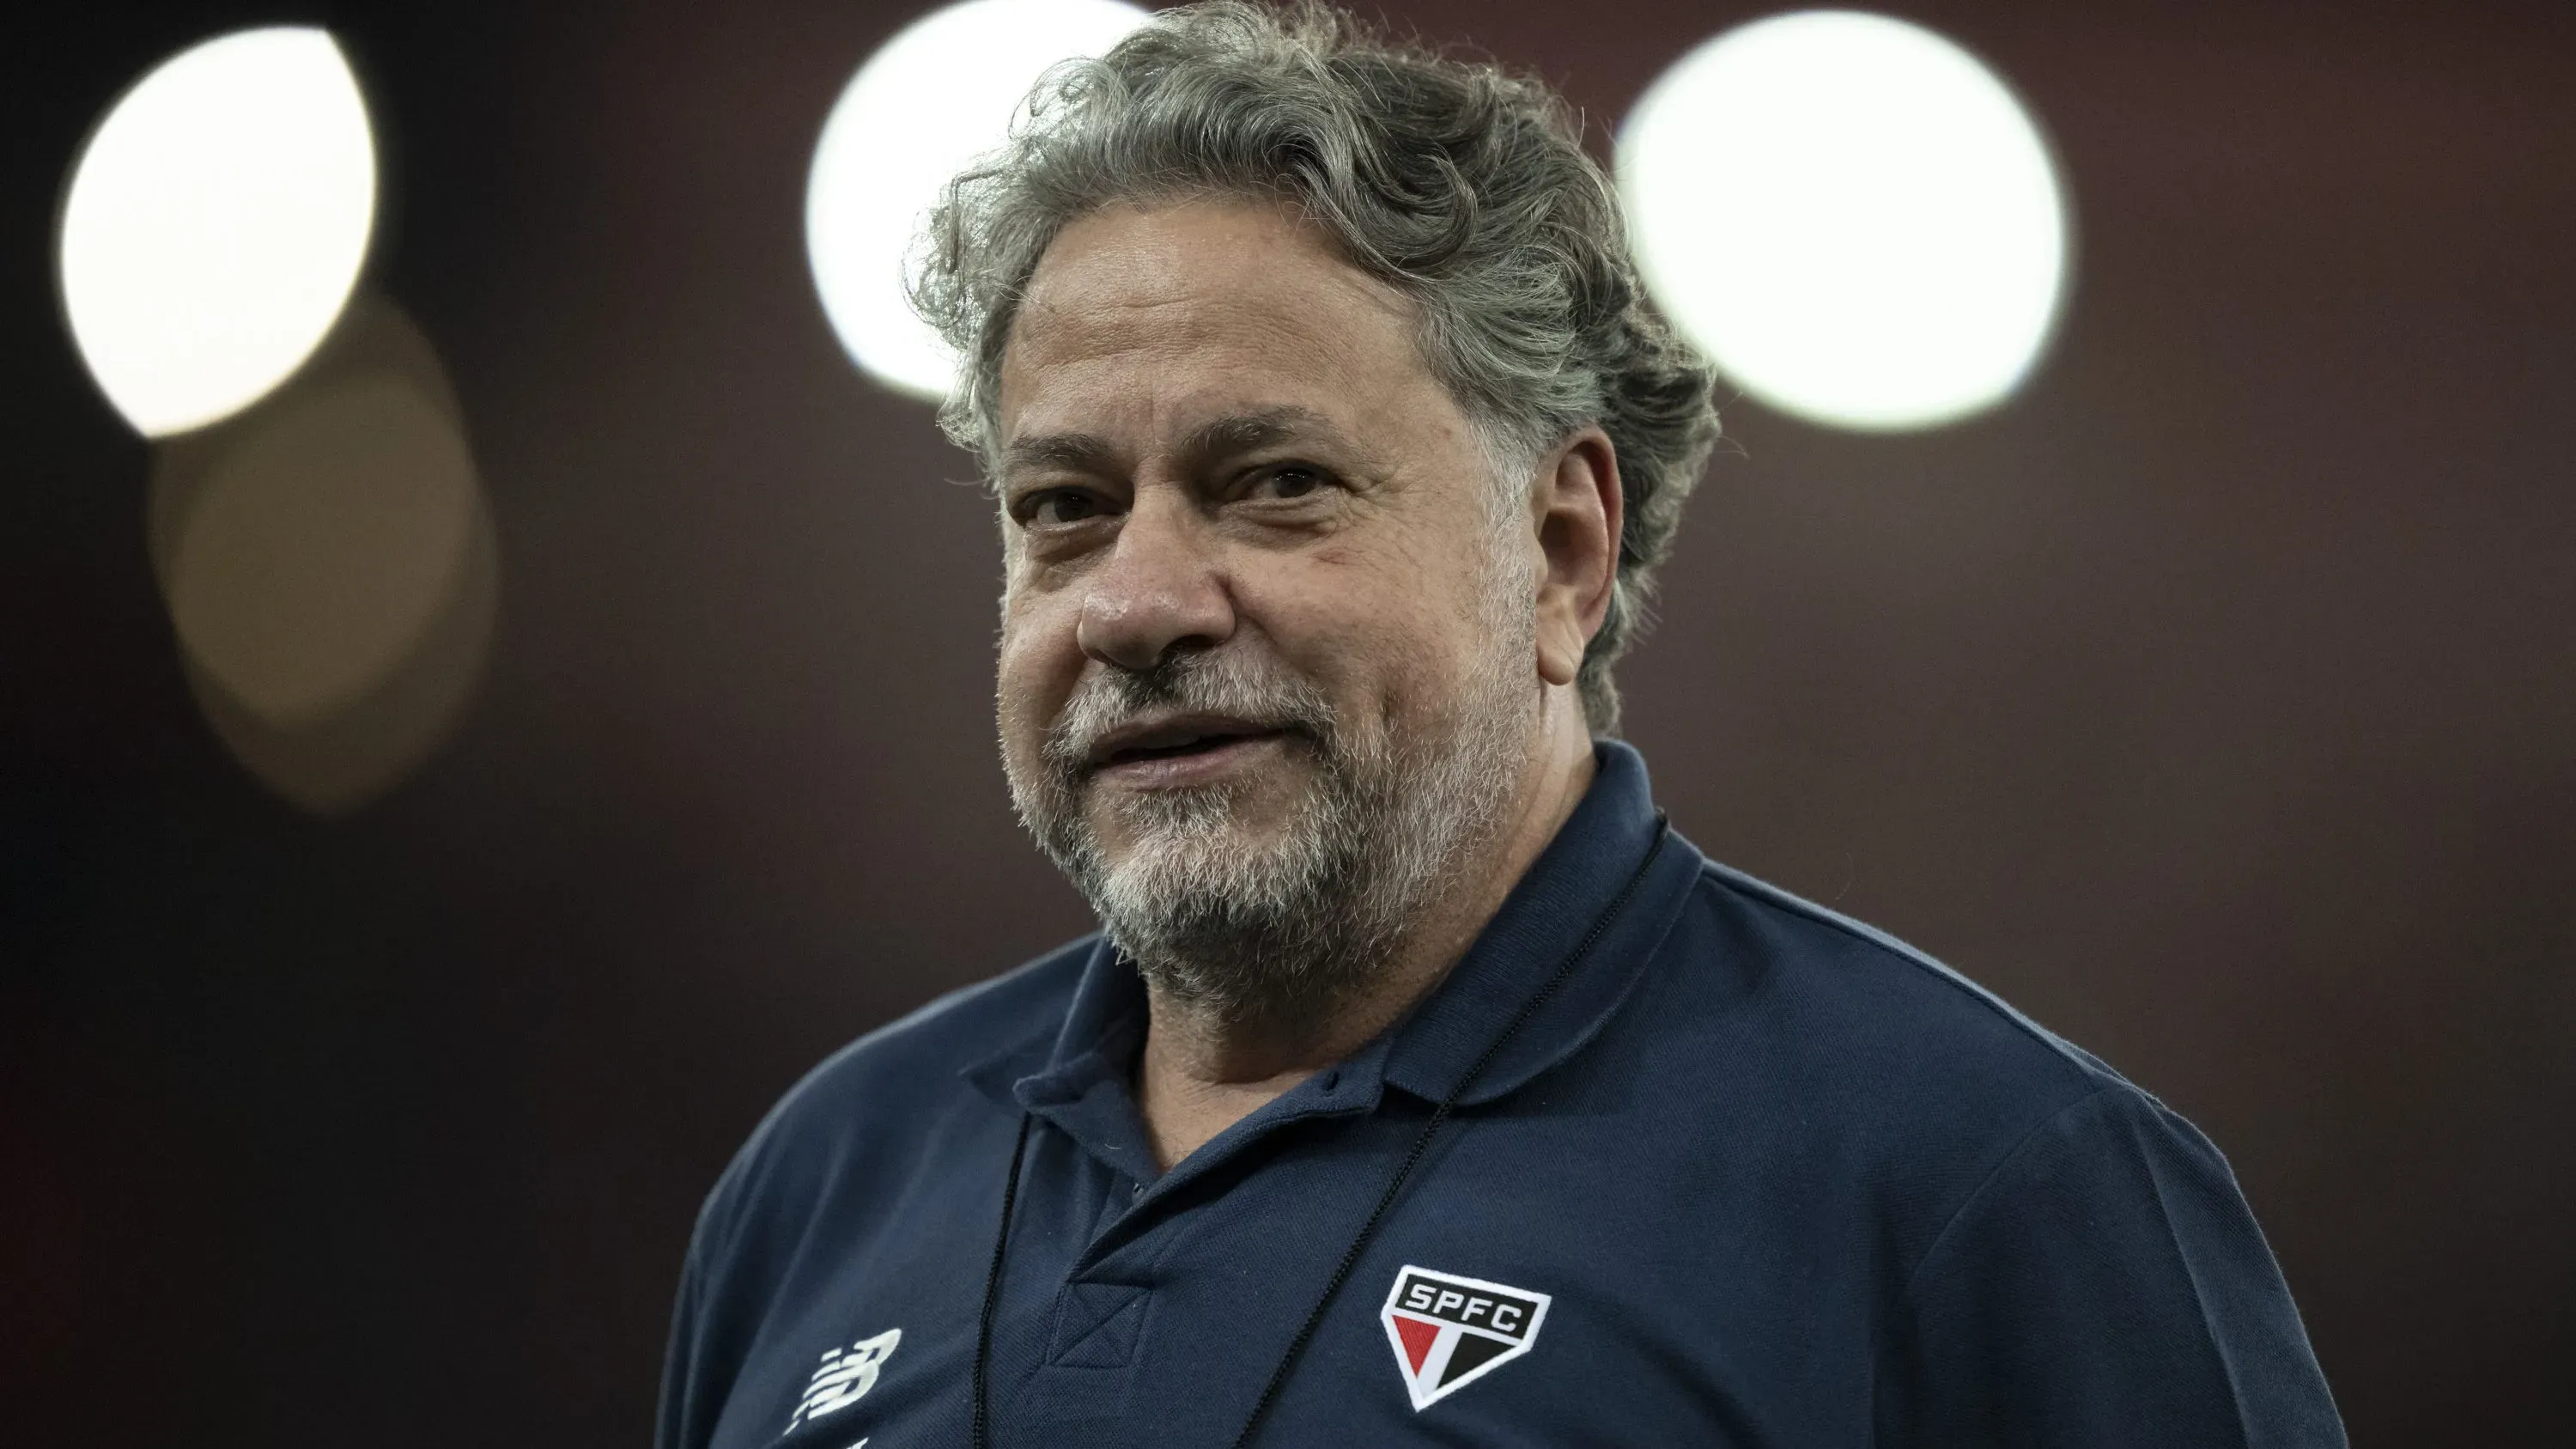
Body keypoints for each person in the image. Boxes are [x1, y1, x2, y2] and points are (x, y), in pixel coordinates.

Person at [655, 4, 2347, 1445]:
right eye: (1065, 509)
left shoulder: (1979, 1186)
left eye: (1275, 485)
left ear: (1561, 549)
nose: (1135, 602)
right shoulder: (828, 1181)